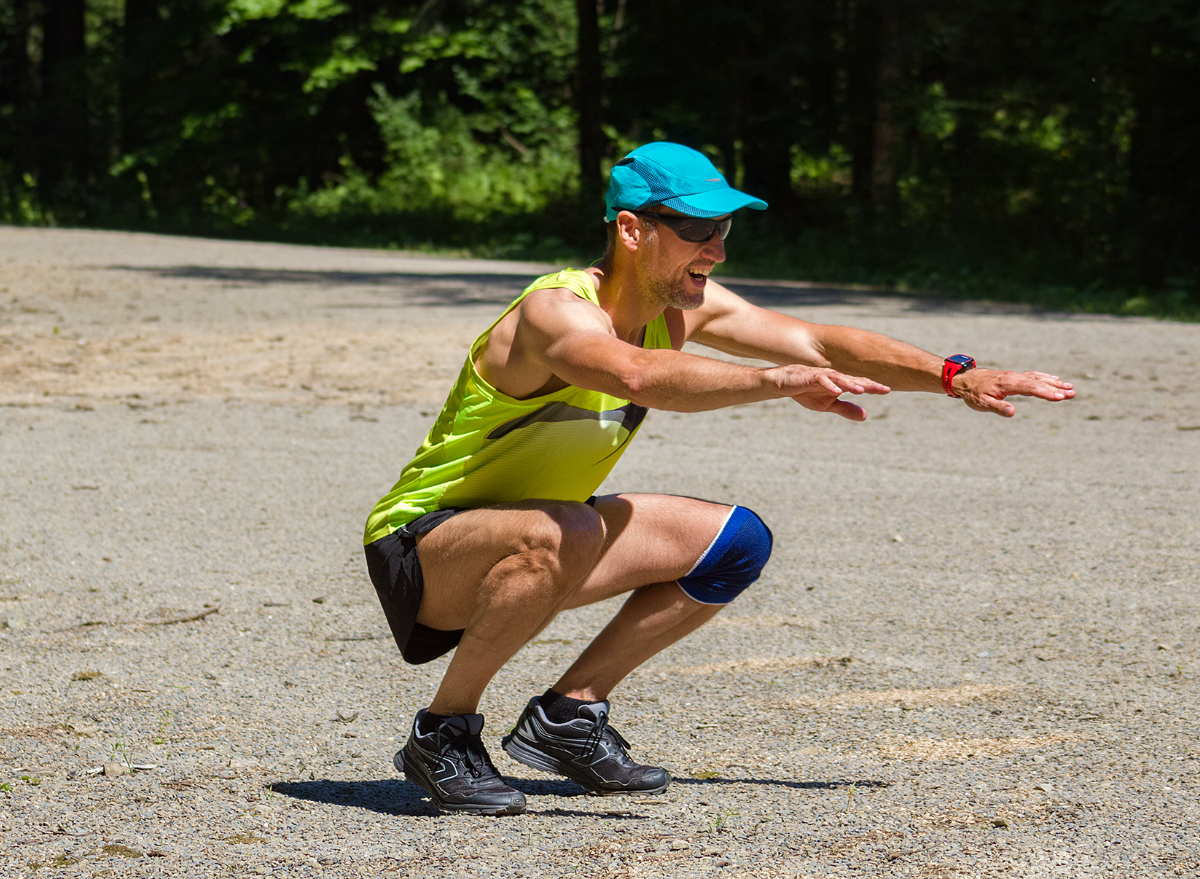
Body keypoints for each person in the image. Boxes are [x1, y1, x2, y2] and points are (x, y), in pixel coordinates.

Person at [363, 142, 1074, 815]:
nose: (718, 247)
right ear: (633, 230)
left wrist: (956, 376)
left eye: (724, 226)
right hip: (422, 546)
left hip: (540, 532)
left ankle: (569, 715)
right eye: (699, 227)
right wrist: (773, 380)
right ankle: (443, 731)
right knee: (568, 524)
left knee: (736, 541)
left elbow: (820, 341)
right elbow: (636, 373)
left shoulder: (681, 306)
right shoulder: (554, 312)